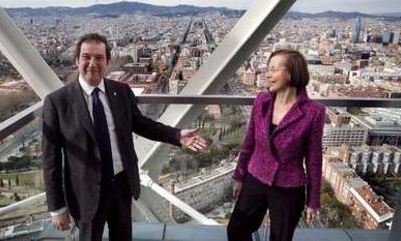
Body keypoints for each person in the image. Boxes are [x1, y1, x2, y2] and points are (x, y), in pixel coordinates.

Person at [42, 33, 207, 241]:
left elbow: (142, 124)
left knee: (122, 236)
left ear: (107, 62)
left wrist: (176, 135)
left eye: (99, 58)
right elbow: (51, 160)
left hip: (121, 185)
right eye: (86, 57)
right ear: (77, 60)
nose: (92, 63)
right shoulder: (58, 102)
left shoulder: (120, 91)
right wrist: (56, 206)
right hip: (85, 191)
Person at [227, 49, 325, 241]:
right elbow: (249, 142)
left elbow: (314, 159)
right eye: (267, 69)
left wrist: (313, 200)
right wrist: (239, 176)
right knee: (236, 229)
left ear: (291, 73)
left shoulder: (314, 112)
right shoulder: (262, 100)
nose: (268, 75)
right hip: (255, 178)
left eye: (273, 69)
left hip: (288, 187)